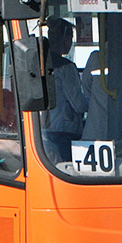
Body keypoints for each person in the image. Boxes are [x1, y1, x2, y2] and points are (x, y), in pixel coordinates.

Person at [40, 18, 87, 161]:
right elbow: (79, 105)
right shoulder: (66, 67)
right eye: (71, 38)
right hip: (64, 132)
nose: (71, 43)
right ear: (64, 39)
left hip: (43, 131)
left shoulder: (39, 64)